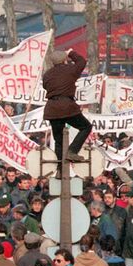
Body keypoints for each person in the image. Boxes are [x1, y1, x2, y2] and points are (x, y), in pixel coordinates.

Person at [42, 49, 91, 178]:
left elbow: (46, 87)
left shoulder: (47, 74)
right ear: (65, 60)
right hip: (67, 107)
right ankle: (72, 151)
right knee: (86, 127)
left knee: (58, 141)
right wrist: (71, 53)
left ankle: (59, 170)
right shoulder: (70, 69)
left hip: (52, 109)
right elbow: (82, 61)